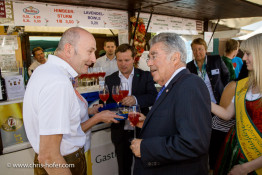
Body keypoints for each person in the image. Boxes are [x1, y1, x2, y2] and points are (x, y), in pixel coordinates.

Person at [23, 27, 122, 175]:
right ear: (69, 49)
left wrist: (89, 111)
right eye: (90, 51)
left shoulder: (45, 71)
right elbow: (49, 156)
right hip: (64, 163)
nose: (94, 59)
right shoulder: (58, 81)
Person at [130, 33, 212, 175]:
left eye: (154, 56)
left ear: (175, 58)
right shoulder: (174, 85)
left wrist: (145, 148)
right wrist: (147, 122)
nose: (149, 63)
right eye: (149, 58)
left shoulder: (190, 84)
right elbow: (177, 124)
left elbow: (193, 143)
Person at [212, 33, 262, 175]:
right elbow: (227, 114)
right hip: (237, 152)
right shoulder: (243, 85)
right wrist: (202, 100)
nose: (244, 58)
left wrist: (246, 168)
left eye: (248, 54)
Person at [105, 43, 157, 175]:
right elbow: (106, 104)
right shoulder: (110, 80)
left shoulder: (145, 76)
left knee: (144, 168)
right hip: (120, 131)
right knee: (123, 168)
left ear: (134, 59)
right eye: (120, 60)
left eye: (127, 60)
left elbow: (153, 97)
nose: (123, 64)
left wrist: (136, 99)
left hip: (141, 129)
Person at [186, 38, 230, 172]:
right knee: (203, 135)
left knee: (216, 136)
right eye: (194, 49)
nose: (197, 52)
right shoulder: (189, 66)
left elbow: (227, 76)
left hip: (217, 105)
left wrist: (225, 96)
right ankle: (203, 165)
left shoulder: (215, 60)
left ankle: (214, 166)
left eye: (200, 49)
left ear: (205, 49)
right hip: (200, 108)